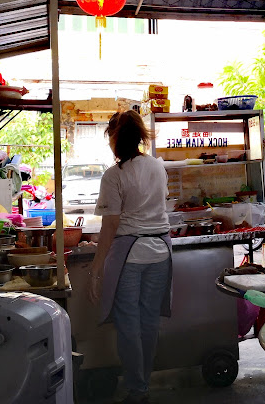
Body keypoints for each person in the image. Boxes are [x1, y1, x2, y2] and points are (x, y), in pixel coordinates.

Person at [88, 110, 171, 404]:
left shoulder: (115, 175)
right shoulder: (157, 166)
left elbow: (110, 226)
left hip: (130, 256)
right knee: (148, 321)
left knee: (128, 324)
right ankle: (143, 384)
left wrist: (97, 269)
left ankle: (138, 390)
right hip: (161, 252)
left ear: (115, 137)